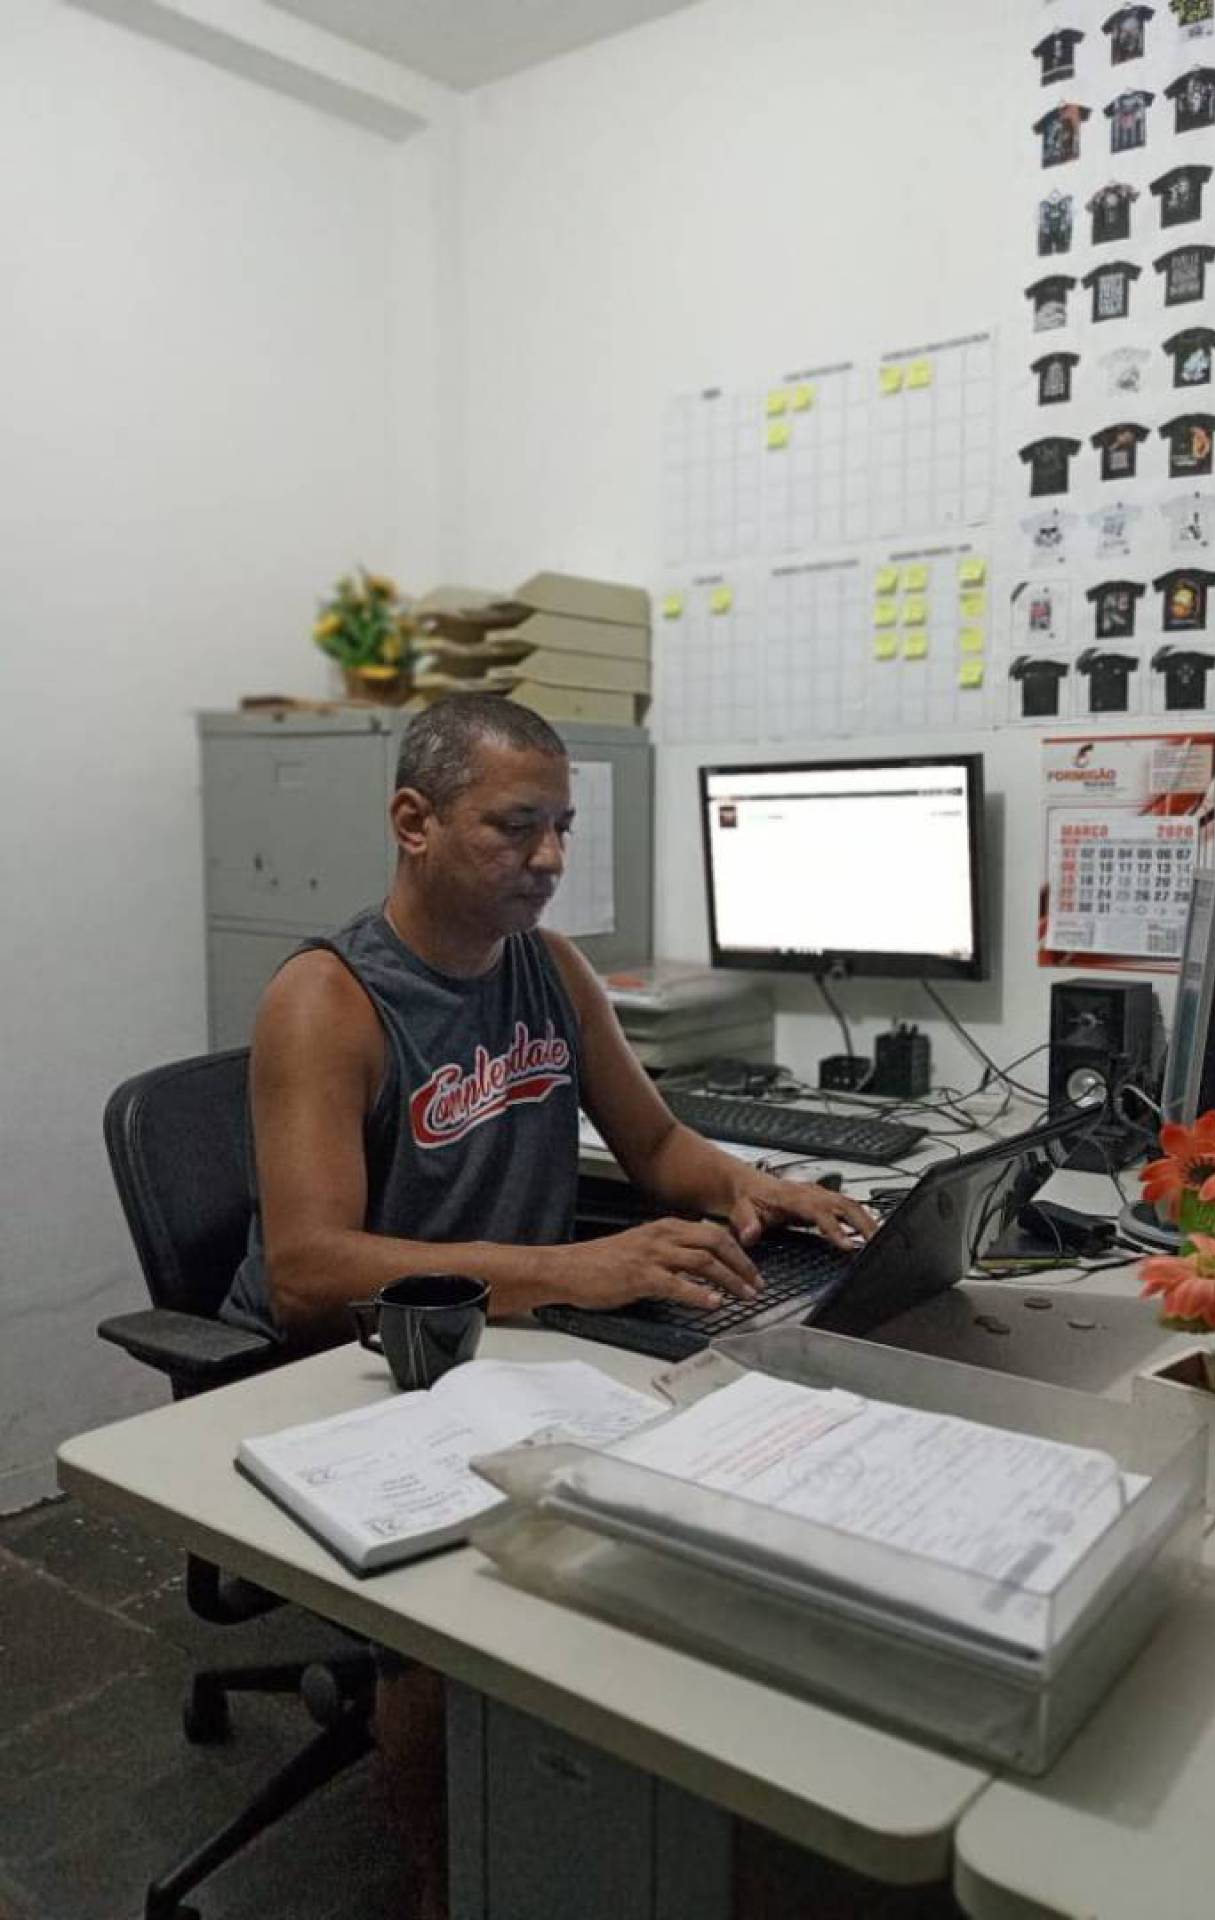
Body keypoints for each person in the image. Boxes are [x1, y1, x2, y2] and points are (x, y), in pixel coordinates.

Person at [222, 691, 875, 1918]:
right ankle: (446, 1882)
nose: (552, 860)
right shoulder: (327, 1000)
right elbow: (309, 1273)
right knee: (458, 1600)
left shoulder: (549, 969)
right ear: (412, 821)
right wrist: (577, 1273)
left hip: (507, 1349)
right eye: (516, 826)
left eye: (563, 827)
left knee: (720, 1470)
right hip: (361, 1367)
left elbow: (660, 1147)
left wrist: (757, 1188)